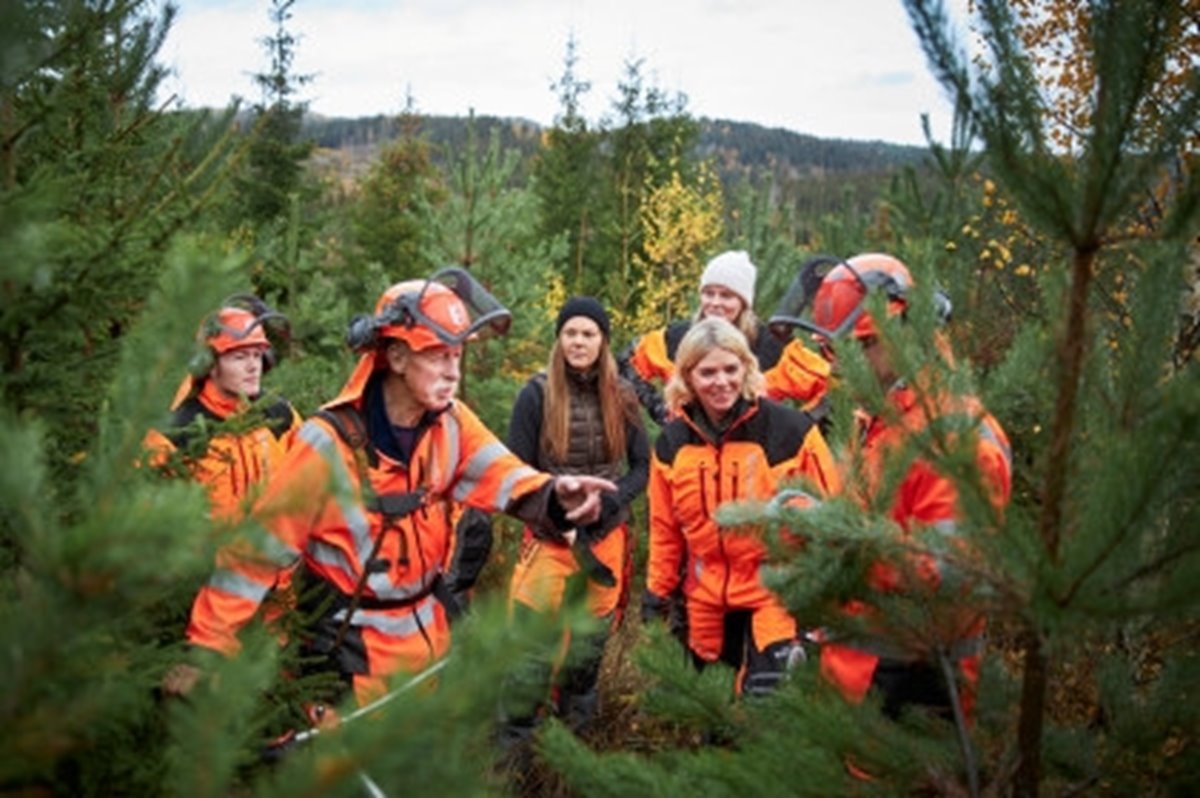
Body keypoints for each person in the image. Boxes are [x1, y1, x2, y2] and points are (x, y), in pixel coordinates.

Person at [163, 269, 618, 707]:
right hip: (347, 666)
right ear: (396, 357)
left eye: (457, 355)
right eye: (438, 354)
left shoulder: (451, 423)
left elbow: (504, 474)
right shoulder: (328, 444)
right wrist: (207, 650)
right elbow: (255, 554)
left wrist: (555, 494)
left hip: (431, 657)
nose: (452, 372)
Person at [781, 252, 1012, 726]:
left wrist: (835, 537)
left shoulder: (957, 438)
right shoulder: (882, 422)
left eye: (860, 346)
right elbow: (875, 525)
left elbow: (951, 574)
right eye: (833, 351)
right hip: (855, 680)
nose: (842, 364)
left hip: (913, 690)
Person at [640, 317, 840, 697]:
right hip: (705, 600)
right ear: (687, 377)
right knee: (712, 715)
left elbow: (830, 520)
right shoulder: (672, 444)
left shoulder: (790, 432)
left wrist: (825, 601)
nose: (722, 382)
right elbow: (665, 529)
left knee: (766, 709)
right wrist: (657, 594)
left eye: (731, 369)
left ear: (747, 368)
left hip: (775, 593)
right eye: (708, 372)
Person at [502, 296, 649, 742]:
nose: (579, 341)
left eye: (588, 333)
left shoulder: (623, 394)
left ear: (603, 340)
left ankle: (572, 759)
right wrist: (555, 510)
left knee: (585, 659)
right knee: (530, 660)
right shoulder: (536, 393)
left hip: (605, 540)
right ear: (559, 338)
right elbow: (514, 473)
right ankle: (515, 764)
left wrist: (610, 502)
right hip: (549, 540)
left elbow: (642, 466)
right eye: (570, 333)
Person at [144, 294, 303, 524]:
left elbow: (312, 479)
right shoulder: (175, 433)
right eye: (240, 357)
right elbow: (146, 514)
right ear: (209, 366)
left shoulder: (281, 415)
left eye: (257, 356)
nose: (252, 367)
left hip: (275, 556)